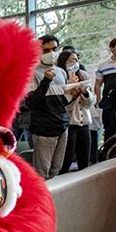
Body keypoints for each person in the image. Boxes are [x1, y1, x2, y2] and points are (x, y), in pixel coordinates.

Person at [25, 35, 78, 179]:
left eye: (54, 49)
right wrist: (46, 81)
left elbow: (63, 101)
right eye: (46, 50)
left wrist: (75, 93)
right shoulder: (31, 73)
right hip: (43, 128)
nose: (51, 53)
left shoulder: (61, 71)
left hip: (62, 125)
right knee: (42, 173)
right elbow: (31, 102)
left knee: (56, 169)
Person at [56, 49, 95, 173]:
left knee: (85, 158)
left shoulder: (83, 75)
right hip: (68, 124)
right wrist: (70, 89)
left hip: (84, 123)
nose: (75, 63)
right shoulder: (59, 78)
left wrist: (85, 92)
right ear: (64, 62)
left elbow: (89, 103)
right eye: (72, 60)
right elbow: (61, 104)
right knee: (66, 158)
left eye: (77, 60)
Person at [94, 36, 116, 141]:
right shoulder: (103, 66)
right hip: (108, 103)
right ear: (112, 48)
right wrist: (98, 99)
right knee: (109, 129)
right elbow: (98, 84)